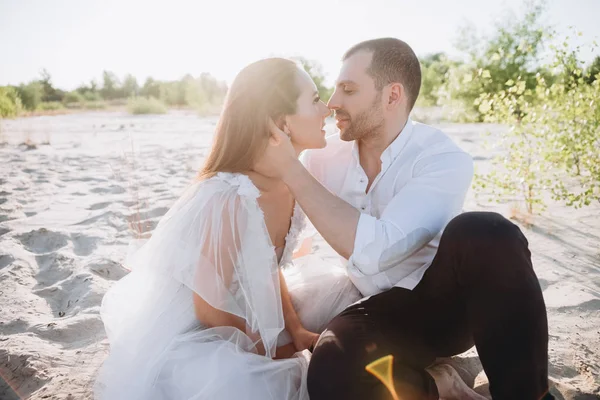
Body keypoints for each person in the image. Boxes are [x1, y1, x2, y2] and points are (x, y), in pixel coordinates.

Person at [261, 38, 553, 400]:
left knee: (486, 231)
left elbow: (376, 250)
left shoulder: (442, 158)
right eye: (334, 90)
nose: (333, 102)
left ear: (392, 96)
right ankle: (438, 386)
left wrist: (290, 167)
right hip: (375, 307)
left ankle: (529, 395)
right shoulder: (321, 157)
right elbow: (274, 233)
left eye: (348, 90)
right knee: (330, 367)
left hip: (444, 307)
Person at [94, 58, 362, 400]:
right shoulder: (231, 194)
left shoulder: (289, 183)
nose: (325, 109)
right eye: (313, 100)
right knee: (247, 385)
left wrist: (295, 330)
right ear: (282, 123)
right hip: (201, 332)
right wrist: (269, 352)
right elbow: (210, 309)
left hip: (246, 309)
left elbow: (266, 266)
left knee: (342, 290)